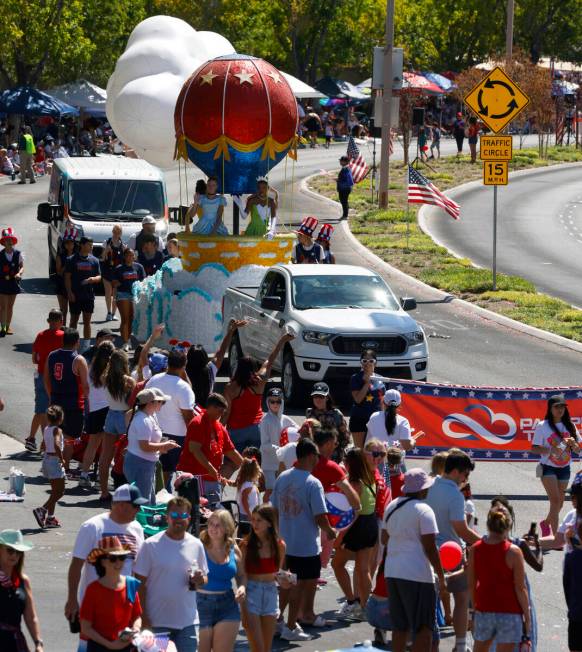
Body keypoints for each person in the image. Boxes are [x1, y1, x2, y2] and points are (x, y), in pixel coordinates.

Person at [65, 484, 147, 652]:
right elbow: (76, 565)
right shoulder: (93, 527)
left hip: (125, 609)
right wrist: (72, 599)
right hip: (96, 607)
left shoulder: (137, 528)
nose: (139, 510)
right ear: (122, 505)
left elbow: (137, 569)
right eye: (136, 506)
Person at [271, 437, 337, 642]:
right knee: (299, 587)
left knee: (285, 586)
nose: (318, 459)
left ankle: (277, 622)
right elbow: (319, 516)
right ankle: (290, 627)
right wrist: (330, 531)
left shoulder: (282, 477)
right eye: (316, 455)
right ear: (310, 456)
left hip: (285, 545)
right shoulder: (313, 483)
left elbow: (273, 508)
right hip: (305, 546)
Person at [382, 468, 447, 652]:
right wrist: (441, 577)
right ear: (422, 489)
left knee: (399, 627)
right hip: (417, 575)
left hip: (392, 572)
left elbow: (384, 539)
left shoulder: (392, 505)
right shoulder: (424, 510)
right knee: (423, 629)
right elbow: (430, 548)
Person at [134, 497, 209, 652]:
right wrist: (144, 618)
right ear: (166, 517)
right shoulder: (150, 545)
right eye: (174, 516)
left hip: (188, 623)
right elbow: (139, 584)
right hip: (157, 623)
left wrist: (200, 579)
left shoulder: (196, 545)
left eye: (183, 516)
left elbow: (204, 578)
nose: (178, 520)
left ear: (189, 518)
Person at [426, 449, 480, 652]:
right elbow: (461, 529)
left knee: (428, 600)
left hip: (428, 549)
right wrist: (485, 542)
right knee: (461, 598)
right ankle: (459, 645)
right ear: (457, 472)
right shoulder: (455, 495)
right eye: (466, 474)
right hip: (451, 553)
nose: (466, 479)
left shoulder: (429, 486)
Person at [467, 508, 531, 652]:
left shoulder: (475, 549)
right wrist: (527, 618)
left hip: (484, 609)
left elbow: (471, 584)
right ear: (507, 526)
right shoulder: (514, 552)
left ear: (488, 525)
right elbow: (520, 588)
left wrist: (473, 612)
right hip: (510, 612)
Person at [224, 332, 294, 452]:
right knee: (256, 462)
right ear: (254, 368)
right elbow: (269, 361)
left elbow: (227, 412)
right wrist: (282, 341)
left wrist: (218, 427)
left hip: (236, 429)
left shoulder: (230, 388)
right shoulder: (259, 382)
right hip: (256, 428)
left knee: (233, 463)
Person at [490, 496, 541, 652]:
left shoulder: (480, 545)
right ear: (510, 520)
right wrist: (537, 546)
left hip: (491, 606)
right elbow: (538, 566)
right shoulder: (518, 545)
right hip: (516, 607)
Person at [333, 448, 378, 620]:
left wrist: (340, 538)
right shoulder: (370, 478)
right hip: (370, 524)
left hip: (357, 526)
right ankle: (365, 608)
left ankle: (352, 602)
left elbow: (353, 513)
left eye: (345, 460)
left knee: (337, 564)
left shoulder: (355, 483)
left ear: (350, 463)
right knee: (363, 569)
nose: (344, 463)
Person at [80, 536, 142, 651]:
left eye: (122, 558)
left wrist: (136, 628)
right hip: (99, 648)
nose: (118, 562)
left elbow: (137, 616)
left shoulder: (131, 584)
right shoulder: (93, 590)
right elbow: (85, 628)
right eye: (113, 558)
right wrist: (111, 645)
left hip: (126, 646)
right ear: (103, 562)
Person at [241, 504, 289, 652]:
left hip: (271, 592)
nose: (254, 524)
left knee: (266, 648)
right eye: (253, 520)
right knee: (258, 648)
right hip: (251, 592)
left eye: (259, 520)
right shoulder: (246, 545)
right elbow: (241, 575)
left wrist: (286, 580)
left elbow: (278, 574)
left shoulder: (280, 545)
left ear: (269, 522)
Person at [177, 393, 243, 499]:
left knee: (213, 510)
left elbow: (231, 451)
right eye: (220, 411)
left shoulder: (220, 427)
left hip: (211, 479)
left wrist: (248, 468)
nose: (221, 414)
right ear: (211, 408)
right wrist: (211, 470)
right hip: (194, 478)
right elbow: (194, 450)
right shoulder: (197, 423)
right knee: (196, 512)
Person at [146, 347, 195, 488]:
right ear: (184, 366)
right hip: (176, 436)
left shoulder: (153, 380)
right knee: (167, 472)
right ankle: (158, 499)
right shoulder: (184, 388)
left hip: (153, 431)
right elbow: (189, 418)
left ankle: (157, 497)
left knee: (158, 469)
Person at [197, 510, 246, 652]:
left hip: (228, 603)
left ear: (227, 528)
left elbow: (242, 575)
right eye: (211, 524)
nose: (213, 528)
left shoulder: (233, 548)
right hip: (201, 604)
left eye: (218, 525)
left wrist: (242, 588)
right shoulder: (198, 546)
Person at [531, 394, 580, 537]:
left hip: (564, 468)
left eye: (562, 407)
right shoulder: (542, 426)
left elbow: (577, 450)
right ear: (550, 408)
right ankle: (556, 536)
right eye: (556, 407)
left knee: (560, 504)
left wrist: (574, 444)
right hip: (548, 467)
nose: (560, 410)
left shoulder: (570, 425)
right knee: (555, 500)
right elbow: (534, 448)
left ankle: (545, 524)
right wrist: (550, 450)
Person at [44, 328, 89, 474]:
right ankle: (65, 467)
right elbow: (86, 384)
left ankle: (55, 464)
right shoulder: (78, 360)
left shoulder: (52, 355)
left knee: (57, 433)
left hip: (56, 401)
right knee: (69, 437)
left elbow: (46, 378)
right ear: (77, 342)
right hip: (73, 405)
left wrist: (51, 396)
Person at [124, 387, 180, 504]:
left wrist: (161, 446)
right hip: (141, 464)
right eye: (161, 402)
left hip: (144, 463)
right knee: (144, 503)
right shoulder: (143, 420)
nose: (163, 404)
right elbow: (145, 446)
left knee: (148, 500)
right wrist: (165, 445)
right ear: (151, 403)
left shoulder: (148, 416)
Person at [26, 308, 64, 452]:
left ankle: (31, 438)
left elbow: (34, 358)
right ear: (61, 321)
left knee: (40, 409)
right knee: (50, 411)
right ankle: (46, 443)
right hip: (57, 377)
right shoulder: (63, 336)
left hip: (41, 375)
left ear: (48, 321)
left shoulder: (40, 335)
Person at [185, 319, 247, 408]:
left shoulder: (183, 372)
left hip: (188, 409)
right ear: (205, 357)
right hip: (206, 410)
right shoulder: (210, 369)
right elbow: (222, 351)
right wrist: (231, 330)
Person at [79, 341, 116, 489]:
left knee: (92, 445)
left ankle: (84, 475)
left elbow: (86, 388)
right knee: (107, 448)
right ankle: (101, 479)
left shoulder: (90, 369)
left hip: (93, 409)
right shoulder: (110, 371)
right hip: (107, 409)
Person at [0, 529, 43, 652]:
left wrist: (38, 642)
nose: (14, 555)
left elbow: (31, 616)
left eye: (18, 551)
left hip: (15, 642)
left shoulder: (23, 581)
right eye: (10, 550)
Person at [101, 350, 136, 502]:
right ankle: (125, 492)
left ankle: (103, 491)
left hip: (110, 415)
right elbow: (134, 398)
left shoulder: (105, 379)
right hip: (124, 416)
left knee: (105, 456)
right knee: (127, 456)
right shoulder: (129, 381)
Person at [32, 405, 66, 529]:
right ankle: (42, 510)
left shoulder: (47, 428)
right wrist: (62, 458)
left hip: (47, 459)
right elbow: (57, 444)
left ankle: (50, 518)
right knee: (60, 492)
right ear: (60, 418)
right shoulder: (57, 430)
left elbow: (43, 445)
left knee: (54, 491)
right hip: (54, 461)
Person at [259, 387, 296, 498]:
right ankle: (264, 514)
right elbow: (265, 445)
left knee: (284, 492)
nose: (275, 404)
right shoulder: (265, 421)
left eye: (278, 401)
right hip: (269, 463)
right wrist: (281, 449)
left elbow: (298, 432)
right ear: (267, 402)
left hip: (284, 463)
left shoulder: (286, 419)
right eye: (272, 401)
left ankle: (279, 514)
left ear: (282, 402)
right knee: (270, 491)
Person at [65, 236, 101, 345]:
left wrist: (92, 279)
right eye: (89, 245)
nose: (91, 247)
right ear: (82, 245)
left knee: (87, 321)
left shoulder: (94, 260)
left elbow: (99, 276)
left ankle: (86, 345)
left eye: (92, 244)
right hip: (75, 295)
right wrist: (69, 292)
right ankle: (71, 342)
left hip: (88, 295)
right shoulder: (71, 259)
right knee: (73, 320)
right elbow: (67, 277)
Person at [365, 389, 418, 458]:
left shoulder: (374, 416)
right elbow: (407, 446)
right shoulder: (404, 421)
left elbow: (368, 440)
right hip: (395, 462)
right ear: (399, 404)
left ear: (383, 401)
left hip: (375, 459)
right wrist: (412, 441)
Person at [349, 349, 386, 448]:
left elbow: (383, 402)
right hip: (359, 419)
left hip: (376, 421)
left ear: (376, 363)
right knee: (360, 452)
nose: (367, 363)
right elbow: (358, 399)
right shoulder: (355, 378)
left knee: (376, 450)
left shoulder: (381, 379)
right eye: (364, 361)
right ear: (361, 363)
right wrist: (366, 383)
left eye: (371, 361)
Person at [306, 382, 350, 462]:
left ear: (327, 398)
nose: (318, 399)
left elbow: (345, 437)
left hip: (333, 456)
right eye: (315, 396)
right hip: (314, 455)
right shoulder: (309, 413)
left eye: (321, 396)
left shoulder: (336, 414)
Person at [112, 248, 145, 350]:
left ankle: (127, 339)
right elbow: (114, 283)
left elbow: (143, 281)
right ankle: (126, 342)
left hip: (135, 295)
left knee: (131, 319)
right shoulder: (119, 268)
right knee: (125, 319)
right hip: (123, 295)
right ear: (124, 256)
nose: (130, 257)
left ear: (134, 256)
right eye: (128, 255)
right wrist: (122, 283)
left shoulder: (139, 267)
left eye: (132, 255)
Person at [0, 227, 24, 337]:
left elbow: (22, 267)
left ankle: (8, 326)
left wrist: (19, 273)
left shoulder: (18, 254)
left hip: (13, 283)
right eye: (6, 240)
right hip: (2, 283)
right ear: (3, 243)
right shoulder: (0, 255)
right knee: (3, 306)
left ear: (13, 242)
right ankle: (3, 327)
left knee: (10, 306)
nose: (9, 242)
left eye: (10, 240)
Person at [100, 225, 126, 322]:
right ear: (112, 231)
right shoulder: (106, 243)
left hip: (117, 273)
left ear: (121, 233)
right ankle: (108, 313)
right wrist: (106, 251)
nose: (117, 233)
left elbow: (125, 259)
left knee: (116, 294)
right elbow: (102, 258)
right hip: (107, 271)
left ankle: (114, 313)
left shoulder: (123, 245)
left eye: (119, 231)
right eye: (115, 231)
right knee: (108, 293)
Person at [55, 228, 79, 324]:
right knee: (63, 310)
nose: (69, 245)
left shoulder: (78, 256)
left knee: (74, 311)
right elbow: (59, 272)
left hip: (74, 285)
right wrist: (67, 263)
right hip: (61, 285)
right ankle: (62, 328)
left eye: (71, 243)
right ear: (64, 245)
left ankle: (70, 330)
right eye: (67, 243)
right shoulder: (60, 256)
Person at [236, 456, 262, 536]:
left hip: (246, 513)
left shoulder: (247, 483)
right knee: (247, 534)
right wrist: (249, 515)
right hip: (247, 514)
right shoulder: (248, 485)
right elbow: (244, 501)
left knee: (244, 532)